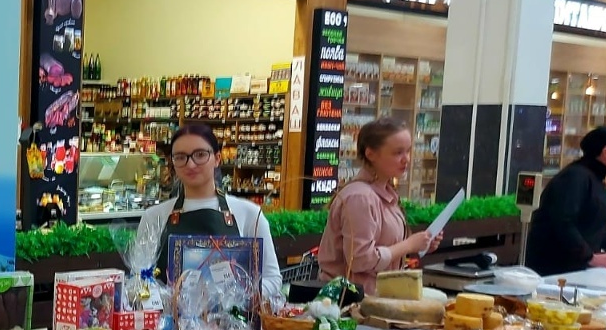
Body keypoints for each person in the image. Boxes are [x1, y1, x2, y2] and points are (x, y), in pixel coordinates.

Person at [137, 123, 283, 304]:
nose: (190, 164)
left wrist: (239, 298)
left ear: (217, 158)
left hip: (234, 322)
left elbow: (272, 279)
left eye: (200, 155)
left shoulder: (250, 214)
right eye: (181, 157)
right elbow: (139, 281)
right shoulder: (153, 217)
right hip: (168, 321)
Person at [318, 118, 443, 294]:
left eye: (408, 151)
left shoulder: (384, 192)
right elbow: (360, 259)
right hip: (351, 301)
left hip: (378, 297)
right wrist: (408, 245)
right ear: (371, 154)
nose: (406, 159)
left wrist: (420, 246)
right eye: (397, 152)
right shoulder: (360, 197)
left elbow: (386, 249)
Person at [527, 126, 606, 275]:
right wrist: (589, 257)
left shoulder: (595, 179)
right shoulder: (575, 177)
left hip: (575, 270)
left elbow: (595, 230)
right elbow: (562, 222)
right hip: (554, 271)